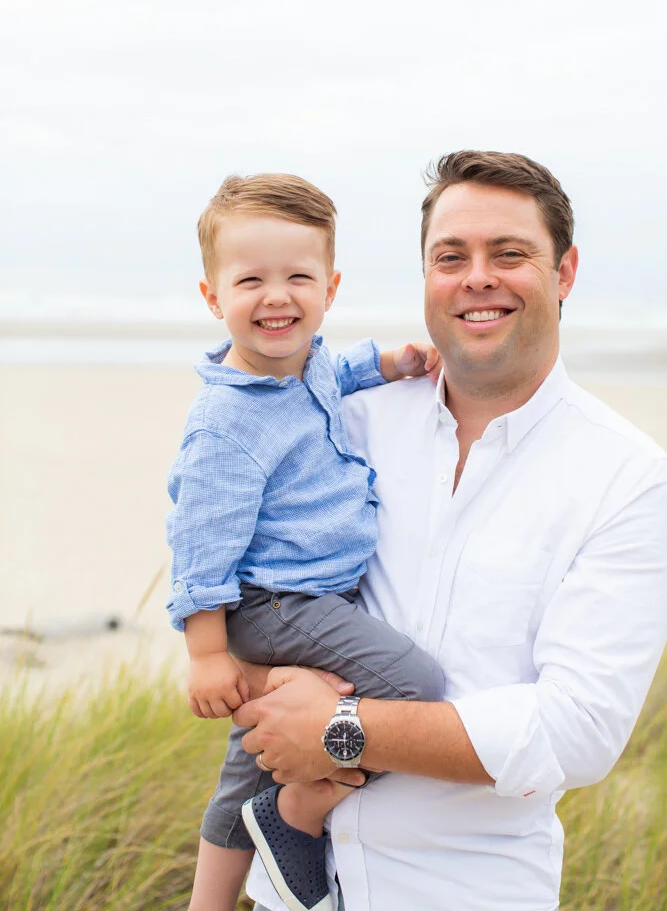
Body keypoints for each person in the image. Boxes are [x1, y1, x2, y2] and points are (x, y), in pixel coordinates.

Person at [235, 151, 667, 911]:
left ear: (563, 274)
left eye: (510, 254)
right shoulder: (348, 424)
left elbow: (574, 730)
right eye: (450, 257)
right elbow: (246, 577)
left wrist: (340, 729)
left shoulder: (628, 479)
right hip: (288, 894)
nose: (477, 278)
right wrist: (271, 687)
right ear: (426, 276)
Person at [166, 173, 448, 911]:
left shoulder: (308, 363)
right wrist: (207, 654)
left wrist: (395, 363)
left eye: (298, 276)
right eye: (250, 279)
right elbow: (200, 543)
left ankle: (208, 902)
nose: (276, 296)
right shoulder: (225, 422)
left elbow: (341, 369)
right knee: (411, 688)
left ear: (330, 286)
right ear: (211, 296)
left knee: (247, 762)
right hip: (276, 601)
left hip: (306, 596)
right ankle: (302, 808)